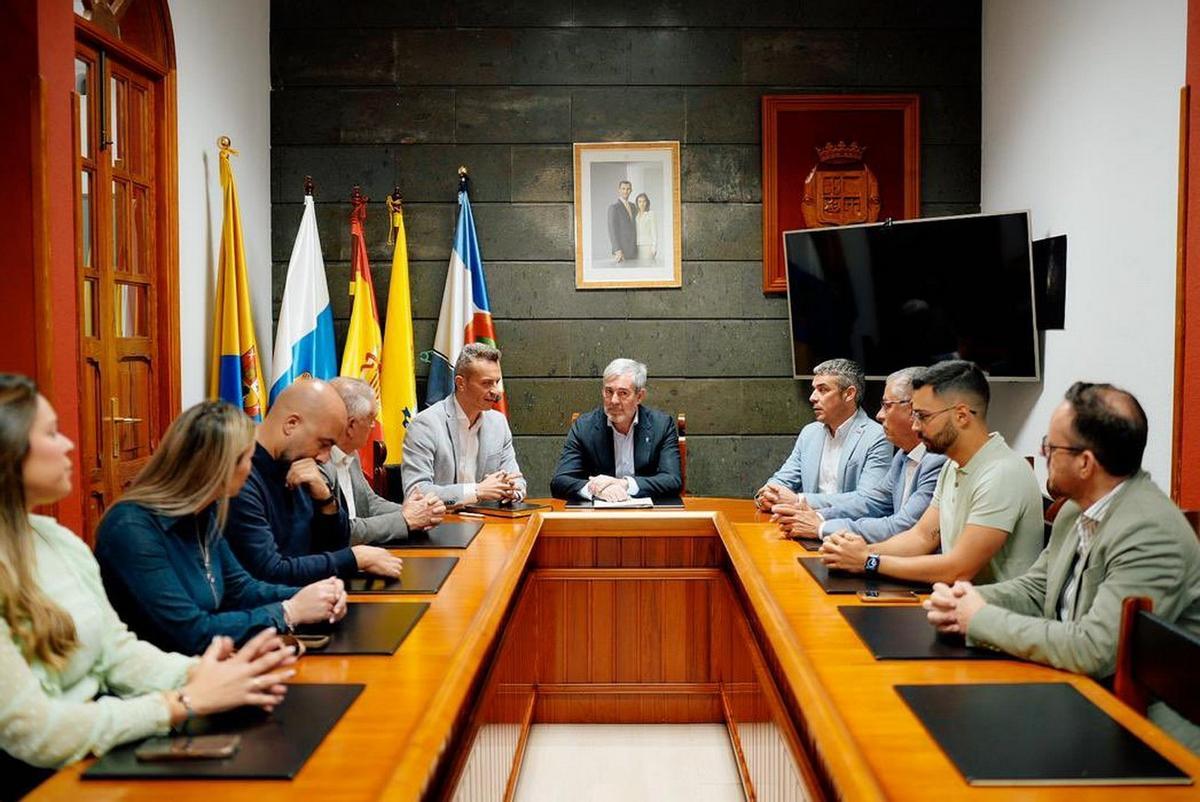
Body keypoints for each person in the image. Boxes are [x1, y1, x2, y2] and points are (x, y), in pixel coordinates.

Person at [0, 374, 296, 796]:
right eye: (50, 433)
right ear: (9, 452)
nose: (68, 444)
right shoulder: (129, 526)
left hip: (98, 751)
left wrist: (205, 674)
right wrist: (180, 703)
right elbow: (33, 731)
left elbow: (115, 653)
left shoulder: (57, 540)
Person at [924, 382, 1200, 753]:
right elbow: (1038, 589)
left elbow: (1094, 649)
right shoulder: (1076, 508)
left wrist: (978, 619)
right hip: (1079, 695)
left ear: (1085, 463)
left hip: (1147, 735)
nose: (1044, 455)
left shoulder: (1149, 533)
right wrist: (965, 598)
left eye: (1050, 448)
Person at [95, 400, 349, 656]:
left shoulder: (204, 512)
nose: (250, 470)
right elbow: (191, 632)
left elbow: (240, 589)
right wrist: (288, 611)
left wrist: (314, 596)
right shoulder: (131, 528)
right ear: (222, 466)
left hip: (205, 668)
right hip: (160, 683)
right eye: (248, 459)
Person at [819, 360, 1044, 585]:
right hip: (954, 602)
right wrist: (858, 553)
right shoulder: (953, 465)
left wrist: (869, 560)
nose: (915, 427)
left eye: (923, 416)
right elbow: (921, 537)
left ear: (961, 416)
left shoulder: (1001, 473)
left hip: (992, 613)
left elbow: (958, 569)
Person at [225, 378, 403, 586]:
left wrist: (326, 499)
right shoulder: (239, 475)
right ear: (291, 424)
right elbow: (269, 572)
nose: (325, 458)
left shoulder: (296, 463)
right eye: (324, 444)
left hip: (312, 597)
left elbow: (334, 544)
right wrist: (354, 558)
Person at [772, 367, 946, 542]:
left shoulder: (936, 460)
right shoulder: (902, 455)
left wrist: (821, 527)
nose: (879, 415)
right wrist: (816, 516)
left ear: (915, 409)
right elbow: (871, 503)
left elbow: (902, 526)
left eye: (886, 406)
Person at [755, 358, 892, 512]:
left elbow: (867, 499)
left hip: (847, 529)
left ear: (849, 394)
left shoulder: (877, 436)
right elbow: (783, 479)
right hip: (800, 525)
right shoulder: (810, 433)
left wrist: (799, 500)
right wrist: (767, 495)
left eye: (823, 389)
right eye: (814, 389)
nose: (812, 397)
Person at [320, 377, 445, 544]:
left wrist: (418, 512)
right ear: (351, 426)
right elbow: (344, 533)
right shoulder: (317, 465)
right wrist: (404, 519)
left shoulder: (350, 453)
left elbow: (369, 503)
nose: (374, 426)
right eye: (371, 420)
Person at [403, 344, 526, 506]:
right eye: (486, 383)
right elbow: (416, 491)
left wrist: (511, 490)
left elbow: (518, 481)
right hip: (441, 524)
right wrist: (476, 491)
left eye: (497, 382)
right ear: (460, 383)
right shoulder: (426, 425)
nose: (496, 391)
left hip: (489, 522)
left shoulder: (498, 423)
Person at [550, 358, 681, 502]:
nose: (613, 401)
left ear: (639, 396)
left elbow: (672, 480)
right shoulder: (584, 427)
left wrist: (624, 484)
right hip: (597, 517)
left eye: (623, 393)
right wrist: (594, 489)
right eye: (609, 391)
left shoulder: (661, 425)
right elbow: (559, 482)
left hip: (646, 514)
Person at [606, 179, 638, 264]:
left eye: (628, 189)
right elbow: (612, 230)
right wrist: (617, 250)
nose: (626, 191)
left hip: (634, 249)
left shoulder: (633, 206)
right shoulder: (614, 207)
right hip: (622, 250)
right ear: (619, 190)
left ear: (631, 190)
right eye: (623, 189)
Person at [634, 192, 657, 264]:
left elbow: (654, 231)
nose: (642, 204)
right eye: (640, 201)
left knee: (647, 265)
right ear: (637, 203)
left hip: (647, 246)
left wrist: (654, 247)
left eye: (644, 201)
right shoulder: (636, 215)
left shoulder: (650, 214)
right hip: (637, 246)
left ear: (647, 202)